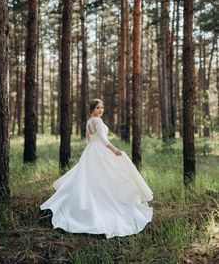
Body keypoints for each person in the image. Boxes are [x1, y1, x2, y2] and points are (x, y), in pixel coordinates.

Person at [40, 98, 153, 239]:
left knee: (92, 179)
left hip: (90, 151)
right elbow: (104, 140)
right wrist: (115, 150)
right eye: (98, 108)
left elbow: (89, 140)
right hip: (100, 150)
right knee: (109, 176)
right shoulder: (98, 121)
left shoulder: (89, 121)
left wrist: (93, 147)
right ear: (92, 109)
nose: (101, 110)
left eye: (102, 107)